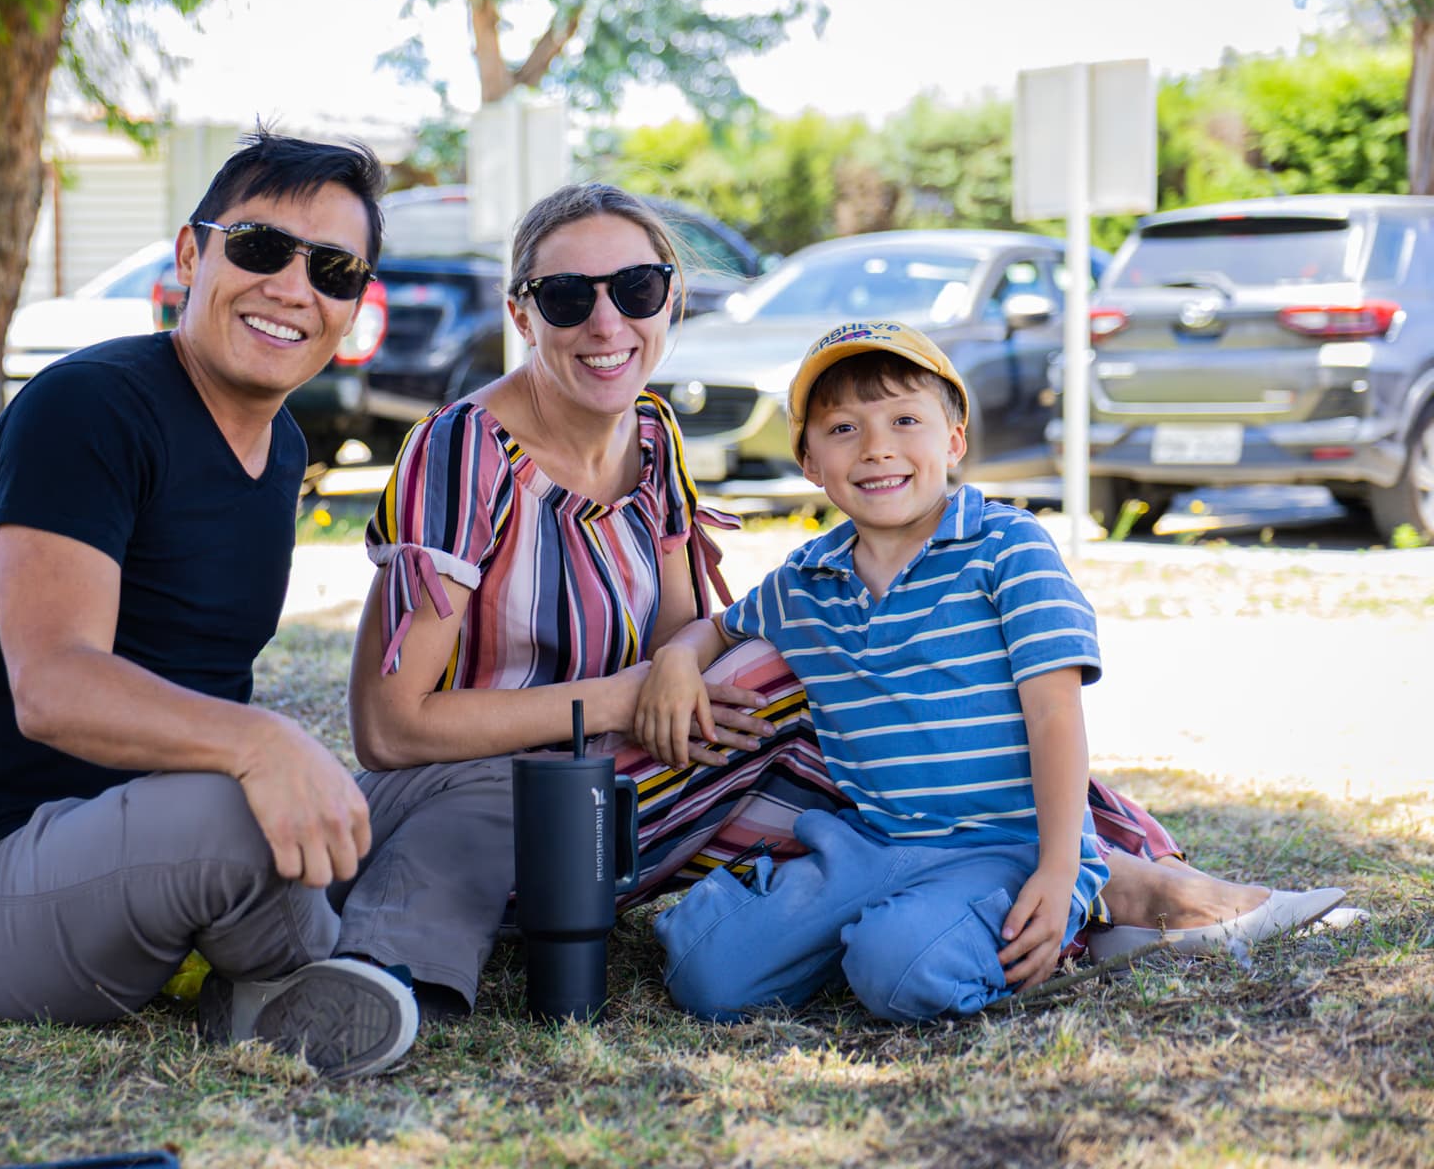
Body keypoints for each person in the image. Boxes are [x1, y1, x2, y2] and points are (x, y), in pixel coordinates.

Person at [336, 184, 1342, 1020]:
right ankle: (1095, 878)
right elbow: (389, 726)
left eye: (635, 286)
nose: (607, 320)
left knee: (847, 682)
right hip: (495, 773)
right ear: (522, 312)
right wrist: (633, 690)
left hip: (636, 773)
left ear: (671, 299)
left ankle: (1086, 871)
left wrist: (677, 669)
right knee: (793, 689)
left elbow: (699, 635)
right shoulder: (462, 449)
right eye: (566, 296)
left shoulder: (651, 437)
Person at [0, 131, 418, 1079]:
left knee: (403, 801)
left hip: (143, 859)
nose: (294, 287)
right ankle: (315, 970)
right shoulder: (87, 409)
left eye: (333, 269)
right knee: (261, 802)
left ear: (354, 303)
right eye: (259, 247)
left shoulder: (282, 448)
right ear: (188, 256)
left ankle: (280, 981)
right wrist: (262, 744)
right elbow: (53, 686)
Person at [636, 321, 1347, 1022]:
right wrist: (676, 656)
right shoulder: (805, 580)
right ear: (810, 463)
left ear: (954, 441)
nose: (878, 447)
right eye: (844, 429)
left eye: (905, 419)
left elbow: (1054, 714)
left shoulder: (1006, 547)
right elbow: (719, 626)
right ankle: (897, 925)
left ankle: (1085, 915)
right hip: (873, 841)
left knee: (898, 972)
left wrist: (1060, 865)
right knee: (706, 973)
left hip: (1006, 841)